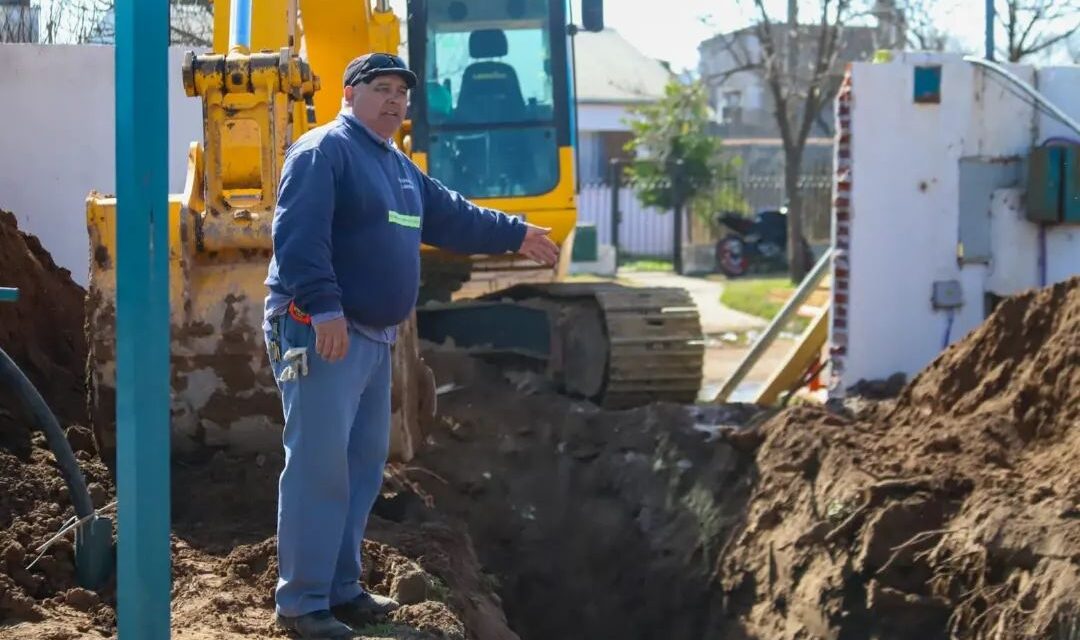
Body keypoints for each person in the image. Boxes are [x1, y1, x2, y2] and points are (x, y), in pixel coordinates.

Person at [262, 52, 559, 638]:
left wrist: (517, 232)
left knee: (362, 465)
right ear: (349, 95)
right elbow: (297, 239)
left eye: (401, 91)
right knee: (319, 468)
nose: (394, 100)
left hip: (373, 338)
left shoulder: (396, 165)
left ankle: (342, 588)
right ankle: (301, 604)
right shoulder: (324, 152)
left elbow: (452, 217)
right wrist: (325, 309)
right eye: (380, 88)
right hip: (321, 328)